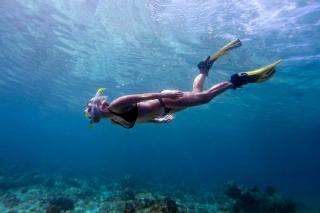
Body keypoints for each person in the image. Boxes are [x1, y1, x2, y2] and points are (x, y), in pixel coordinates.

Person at [84, 39, 281, 129]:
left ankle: (238, 79)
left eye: (95, 108)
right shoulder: (114, 120)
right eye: (95, 110)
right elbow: (140, 120)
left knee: (204, 99)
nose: (100, 108)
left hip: (165, 101)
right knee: (197, 92)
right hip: (166, 109)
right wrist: (158, 121)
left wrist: (164, 96)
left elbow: (141, 97)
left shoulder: (117, 104)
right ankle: (204, 68)